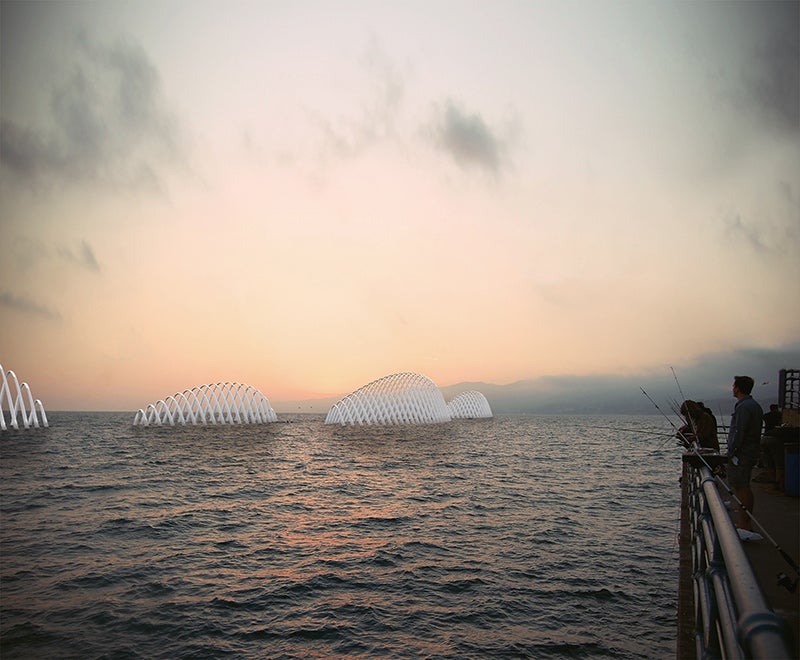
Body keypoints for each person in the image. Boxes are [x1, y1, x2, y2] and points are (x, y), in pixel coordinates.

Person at [726, 375, 764, 536]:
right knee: (743, 486)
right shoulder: (754, 405)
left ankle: (744, 525)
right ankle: (745, 523)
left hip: (742, 454)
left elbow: (739, 432)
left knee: (742, 487)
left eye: (734, 385)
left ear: (738, 388)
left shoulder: (743, 407)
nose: (732, 388)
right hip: (749, 452)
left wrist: (731, 451)